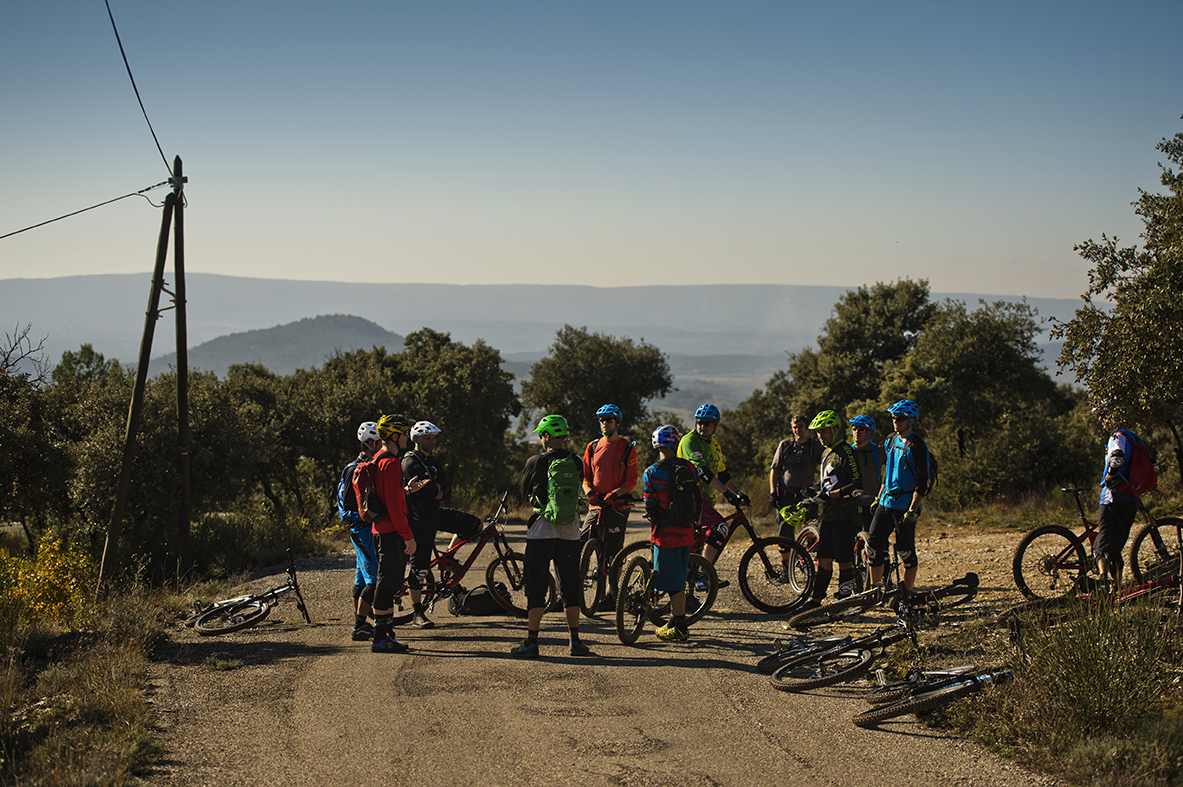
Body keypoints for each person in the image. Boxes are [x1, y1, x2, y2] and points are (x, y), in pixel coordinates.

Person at [512, 415, 592, 658]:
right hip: (570, 531)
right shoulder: (577, 461)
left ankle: (532, 642)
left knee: (535, 587)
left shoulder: (536, 461)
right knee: (570, 585)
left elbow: (523, 492)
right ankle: (575, 641)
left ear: (546, 436)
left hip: (541, 532)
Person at [355, 413, 427, 654]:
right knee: (387, 586)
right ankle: (381, 637)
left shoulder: (379, 459)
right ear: (395, 436)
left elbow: (388, 498)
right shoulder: (392, 463)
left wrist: (405, 490)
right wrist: (408, 536)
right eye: (405, 433)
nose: (407, 437)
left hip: (380, 530)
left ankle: (386, 635)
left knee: (387, 584)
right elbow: (395, 508)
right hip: (391, 532)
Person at [402, 420, 482, 629]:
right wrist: (436, 491)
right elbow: (429, 492)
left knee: (473, 524)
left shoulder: (433, 462)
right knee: (419, 566)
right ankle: (418, 613)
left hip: (435, 512)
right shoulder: (410, 462)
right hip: (418, 517)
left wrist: (436, 491)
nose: (433, 441)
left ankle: (446, 559)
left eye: (434, 438)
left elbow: (446, 490)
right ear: (416, 439)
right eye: (428, 438)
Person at [643, 425, 709, 641]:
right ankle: (673, 622)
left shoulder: (651, 472)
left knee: (673, 584)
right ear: (675, 442)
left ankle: (680, 627)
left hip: (666, 533)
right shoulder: (689, 467)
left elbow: (650, 504)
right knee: (678, 578)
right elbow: (697, 496)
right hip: (686, 531)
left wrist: (655, 516)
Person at [677, 403, 750, 588]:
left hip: (705, 500)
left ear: (715, 424)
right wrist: (727, 494)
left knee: (697, 545)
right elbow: (702, 472)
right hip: (691, 497)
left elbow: (722, 473)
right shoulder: (689, 441)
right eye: (699, 422)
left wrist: (738, 493)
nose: (702, 426)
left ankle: (690, 588)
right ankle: (704, 575)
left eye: (708, 423)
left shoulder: (715, 443)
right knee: (720, 527)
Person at [799, 410, 863, 610]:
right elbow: (829, 482)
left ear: (836, 429)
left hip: (845, 515)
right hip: (827, 515)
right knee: (824, 557)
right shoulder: (826, 452)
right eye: (818, 432)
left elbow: (857, 486)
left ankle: (844, 603)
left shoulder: (846, 452)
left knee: (844, 560)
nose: (820, 436)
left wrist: (831, 495)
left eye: (824, 431)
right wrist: (815, 489)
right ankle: (816, 601)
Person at [866, 400, 930, 594]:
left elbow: (923, 481)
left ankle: (907, 592)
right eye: (894, 418)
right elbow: (889, 472)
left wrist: (913, 509)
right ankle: (874, 591)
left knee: (905, 550)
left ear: (911, 420)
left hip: (905, 505)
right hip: (886, 501)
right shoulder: (891, 439)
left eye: (900, 418)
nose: (896, 421)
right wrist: (878, 497)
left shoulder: (917, 445)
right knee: (873, 544)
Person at [581, 404, 639, 610]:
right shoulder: (592, 446)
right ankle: (577, 592)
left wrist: (616, 494)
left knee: (614, 553)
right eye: (602, 420)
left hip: (618, 506)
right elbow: (586, 477)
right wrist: (589, 492)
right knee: (582, 544)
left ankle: (612, 596)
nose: (605, 423)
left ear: (618, 422)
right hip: (596, 506)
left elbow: (632, 480)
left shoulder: (627, 447)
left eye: (610, 419)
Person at [1093, 404, 1155, 588]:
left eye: (1103, 415)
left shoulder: (1117, 437)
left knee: (1101, 547)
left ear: (1113, 415)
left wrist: (1111, 475)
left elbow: (1117, 456)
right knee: (1115, 548)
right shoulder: (1133, 436)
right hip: (1130, 500)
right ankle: (1118, 588)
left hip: (1113, 498)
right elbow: (1153, 464)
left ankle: (1104, 583)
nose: (1100, 419)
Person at [339, 421, 382, 641]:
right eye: (378, 441)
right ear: (369, 442)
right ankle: (360, 626)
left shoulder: (368, 466)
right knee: (374, 581)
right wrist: (370, 516)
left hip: (366, 530)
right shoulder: (354, 469)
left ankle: (362, 624)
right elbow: (345, 510)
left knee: (360, 581)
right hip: (362, 531)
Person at [769, 414, 824, 580]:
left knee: (811, 531)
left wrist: (820, 487)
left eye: (800, 426)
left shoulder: (815, 446)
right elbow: (775, 469)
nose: (797, 430)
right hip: (785, 495)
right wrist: (773, 492)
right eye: (794, 427)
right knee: (784, 534)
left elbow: (828, 464)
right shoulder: (785, 445)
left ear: (807, 428)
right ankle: (786, 569)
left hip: (807, 495)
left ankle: (808, 566)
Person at [849, 415, 886, 531]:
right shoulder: (848, 452)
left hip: (873, 503)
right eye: (854, 428)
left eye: (861, 430)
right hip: (853, 504)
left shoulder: (878, 452)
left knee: (876, 539)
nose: (857, 432)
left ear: (870, 433)